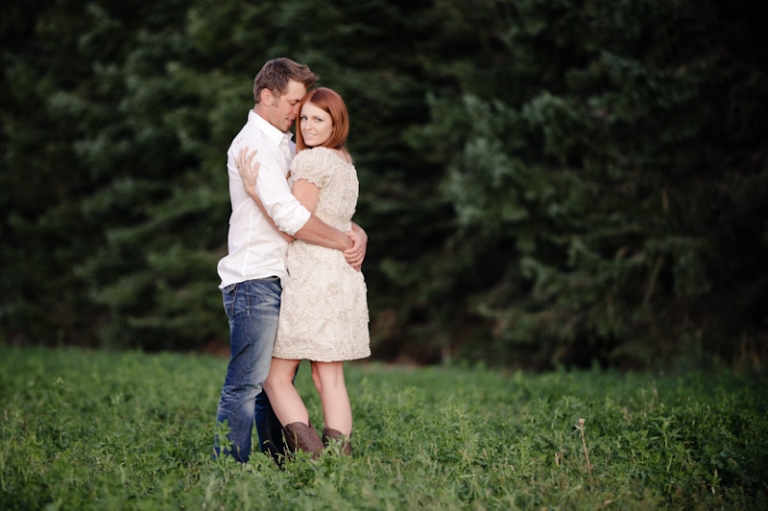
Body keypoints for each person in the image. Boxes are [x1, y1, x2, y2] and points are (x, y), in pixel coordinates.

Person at [214, 58, 367, 464]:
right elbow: (291, 219)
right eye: (295, 103)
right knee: (250, 383)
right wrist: (345, 239)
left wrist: (354, 233)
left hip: (290, 276)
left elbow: (316, 209)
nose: (299, 114)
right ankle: (231, 468)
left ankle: (281, 464)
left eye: (310, 111)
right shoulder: (254, 145)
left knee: (272, 385)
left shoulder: (292, 145)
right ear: (267, 96)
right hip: (256, 275)